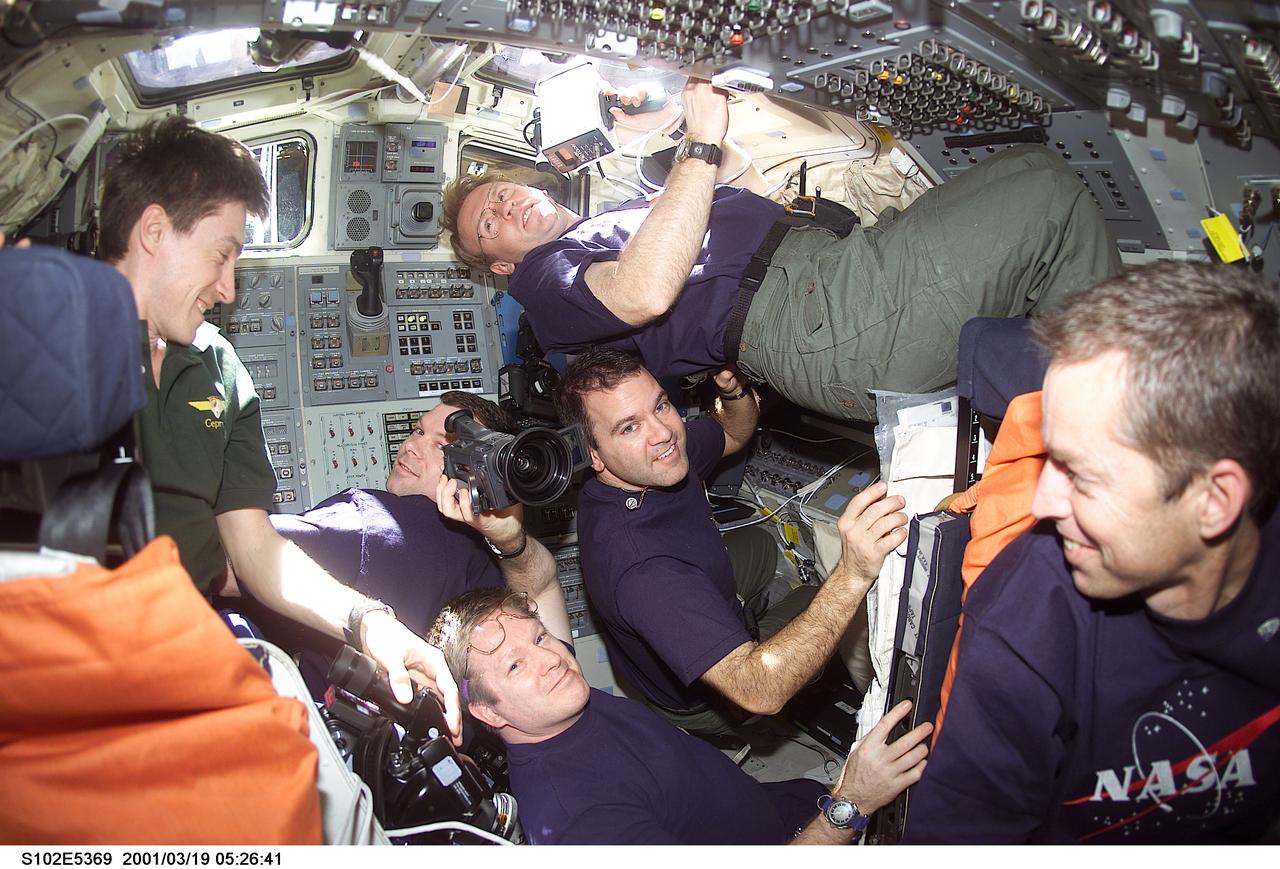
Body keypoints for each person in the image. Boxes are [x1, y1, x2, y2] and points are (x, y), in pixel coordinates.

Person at [440, 80, 1122, 421]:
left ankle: (1087, 411)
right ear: (501, 264)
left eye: (499, 195)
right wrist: (698, 146)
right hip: (817, 315)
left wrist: (684, 119)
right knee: (1046, 191)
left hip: (822, 282)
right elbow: (646, 292)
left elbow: (731, 201)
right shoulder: (544, 280)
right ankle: (1117, 428)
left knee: (1026, 208)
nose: (504, 208)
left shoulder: (600, 225)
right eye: (488, 226)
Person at [99, 116, 461, 731]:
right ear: (154, 230)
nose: (228, 288)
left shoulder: (219, 365)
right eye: (221, 256)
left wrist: (371, 624)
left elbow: (255, 547)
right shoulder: (35, 336)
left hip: (179, 640)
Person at [902, 262, 1280, 844]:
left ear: (1216, 500)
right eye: (1050, 457)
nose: (1044, 502)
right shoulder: (1024, 617)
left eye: (1082, 476)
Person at [554, 347, 906, 736]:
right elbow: (761, 690)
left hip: (696, 581)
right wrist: (852, 574)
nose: (663, 432)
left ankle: (733, 620)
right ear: (594, 456)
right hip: (711, 699)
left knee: (762, 542)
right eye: (629, 427)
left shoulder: (654, 460)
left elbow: (732, 430)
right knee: (820, 596)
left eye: (661, 405)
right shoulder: (645, 573)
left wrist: (733, 392)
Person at [428, 585, 932, 844]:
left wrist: (509, 539)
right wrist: (849, 806)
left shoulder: (554, 701)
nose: (551, 657)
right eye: (515, 665)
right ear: (484, 709)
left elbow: (538, 581)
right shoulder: (578, 822)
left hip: (775, 809)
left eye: (539, 638)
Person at [266, 391, 563, 673]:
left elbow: (241, 556)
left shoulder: (376, 519)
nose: (411, 446)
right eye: (418, 431)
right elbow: (543, 588)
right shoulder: (498, 568)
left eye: (442, 446)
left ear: (484, 473)